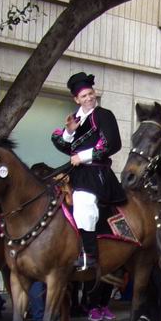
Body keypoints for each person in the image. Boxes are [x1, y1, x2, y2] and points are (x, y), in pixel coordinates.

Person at [51, 72, 125, 271]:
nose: (89, 98)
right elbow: (62, 144)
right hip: (75, 172)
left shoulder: (104, 115)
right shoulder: (74, 119)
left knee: (83, 200)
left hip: (96, 172)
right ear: (76, 99)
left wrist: (82, 157)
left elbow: (112, 143)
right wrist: (69, 131)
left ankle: (89, 254)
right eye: (84, 96)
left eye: (91, 94)